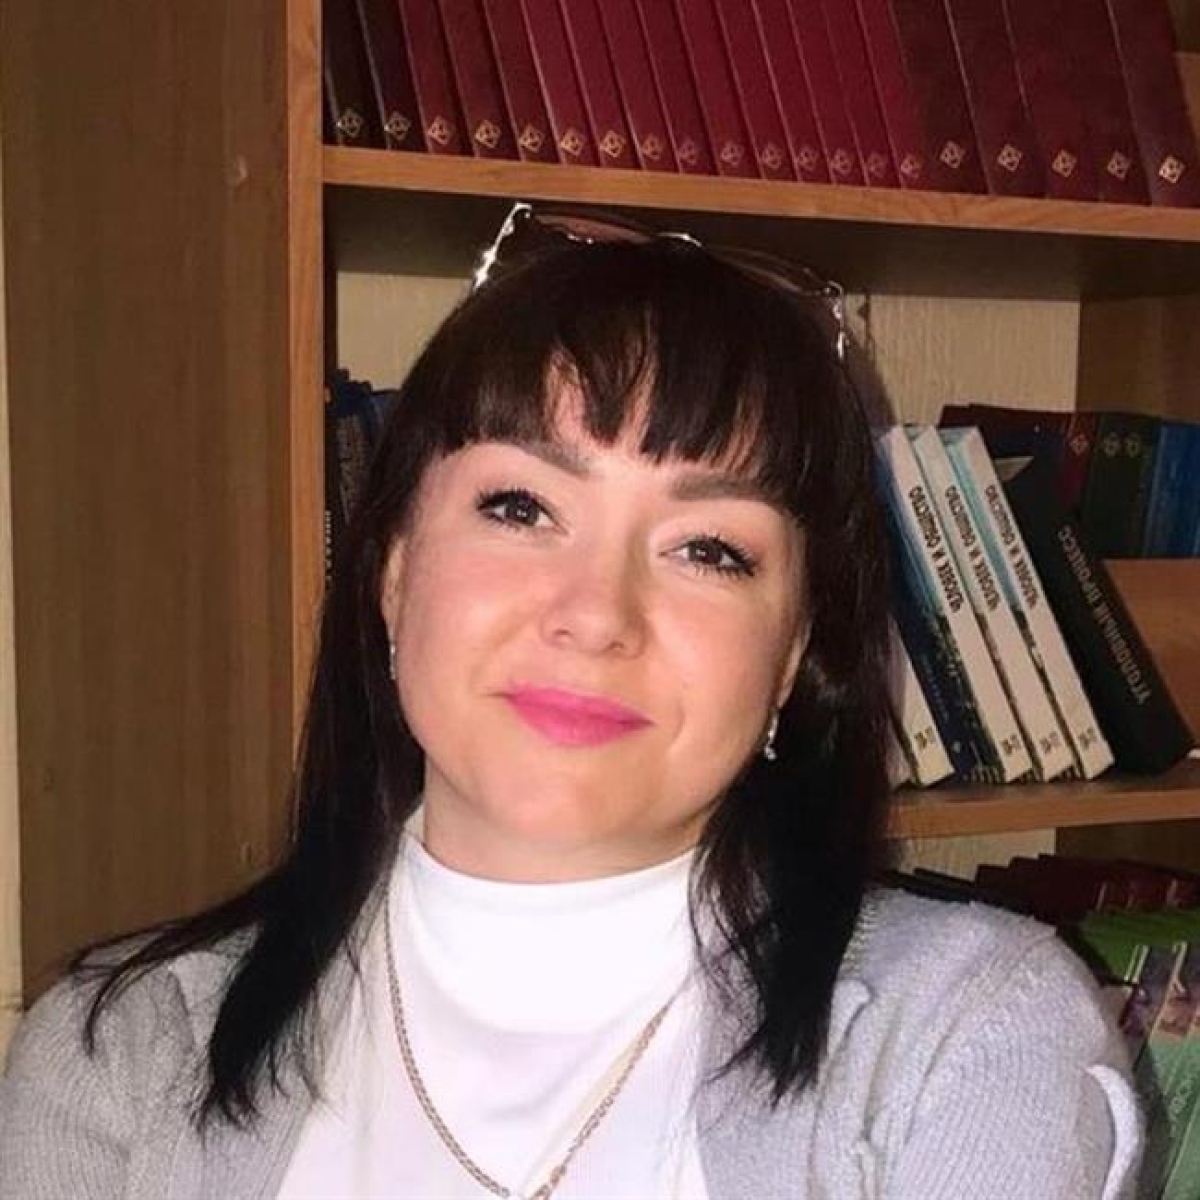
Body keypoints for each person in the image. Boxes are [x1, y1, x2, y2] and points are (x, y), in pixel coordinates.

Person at [0, 203, 1141, 1198]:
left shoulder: (962, 1041)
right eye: (520, 508)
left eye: (709, 549)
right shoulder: (120, 1054)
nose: (597, 614)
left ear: (795, 655)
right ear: (393, 573)